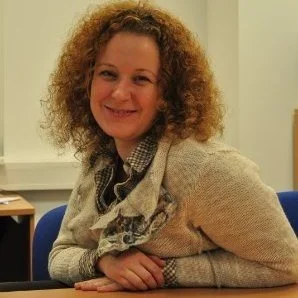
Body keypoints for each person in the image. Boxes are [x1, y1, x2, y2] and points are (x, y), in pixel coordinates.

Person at [41, 0, 298, 292]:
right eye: (108, 74)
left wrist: (166, 272)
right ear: (86, 81)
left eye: (141, 79)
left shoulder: (206, 168)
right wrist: (106, 259)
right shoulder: (101, 159)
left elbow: (287, 263)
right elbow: (60, 254)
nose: (120, 92)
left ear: (166, 94)